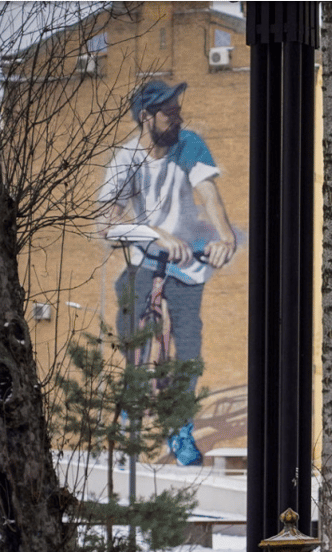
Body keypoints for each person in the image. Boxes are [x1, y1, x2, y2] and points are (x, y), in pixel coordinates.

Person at [98, 80, 238, 466]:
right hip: (143, 257)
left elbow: (208, 194)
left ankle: (181, 428)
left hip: (187, 261)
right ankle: (129, 419)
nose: (178, 119)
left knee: (188, 342)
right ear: (146, 117)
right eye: (169, 114)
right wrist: (157, 234)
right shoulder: (125, 159)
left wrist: (225, 238)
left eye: (179, 111)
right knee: (133, 337)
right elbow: (109, 219)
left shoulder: (189, 144)